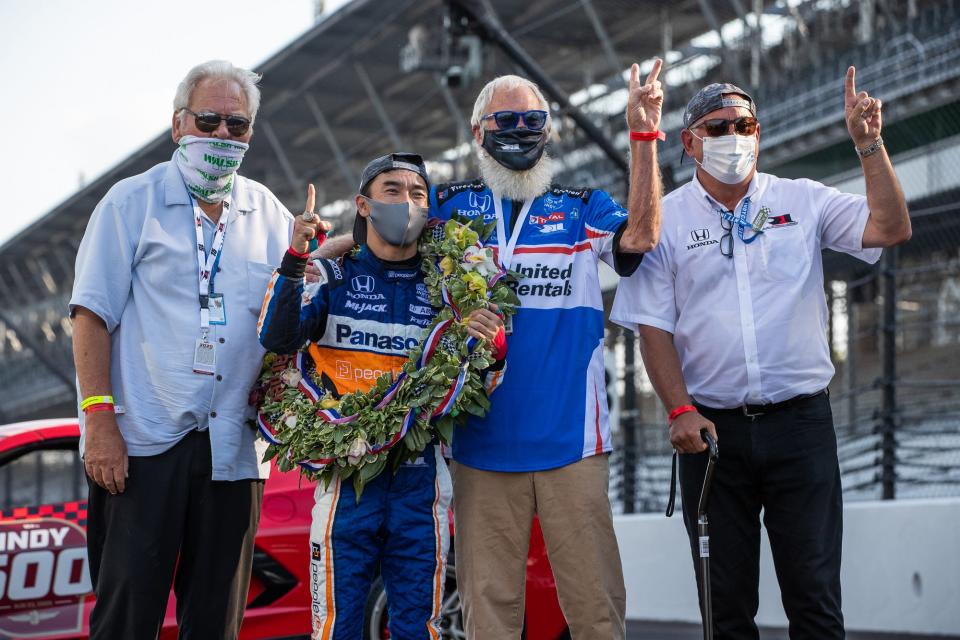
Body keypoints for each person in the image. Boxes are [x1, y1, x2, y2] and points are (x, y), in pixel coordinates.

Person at [611, 69, 911, 638]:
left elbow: (891, 227)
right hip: (712, 434)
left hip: (802, 425)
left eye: (743, 124)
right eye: (716, 126)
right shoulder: (664, 218)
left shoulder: (802, 198)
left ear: (759, 132)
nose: (732, 135)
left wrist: (869, 145)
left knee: (816, 601)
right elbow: (652, 328)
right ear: (689, 143)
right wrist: (678, 410)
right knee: (726, 610)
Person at [70, 60, 311, 639]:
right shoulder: (131, 203)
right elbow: (89, 315)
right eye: (209, 120)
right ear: (178, 125)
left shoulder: (269, 214)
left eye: (238, 125)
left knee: (216, 619)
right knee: (128, 614)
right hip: (144, 444)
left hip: (233, 449)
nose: (223, 135)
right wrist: (99, 421)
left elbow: (296, 303)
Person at [424, 60, 666, 639]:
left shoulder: (582, 207)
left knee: (595, 612)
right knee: (490, 617)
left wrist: (643, 136)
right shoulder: (446, 205)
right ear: (479, 132)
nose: (521, 129)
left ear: (550, 131)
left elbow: (639, 239)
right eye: (506, 119)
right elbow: (383, 238)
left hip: (572, 445)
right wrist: (308, 252)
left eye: (534, 119)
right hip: (480, 447)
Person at [257, 152, 506, 639]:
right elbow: (278, 338)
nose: (407, 202)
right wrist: (297, 256)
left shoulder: (450, 288)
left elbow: (488, 373)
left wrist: (491, 340)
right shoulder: (330, 276)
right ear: (364, 205)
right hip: (345, 480)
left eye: (417, 194)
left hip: (422, 481)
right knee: (338, 626)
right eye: (392, 191)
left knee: (419, 628)